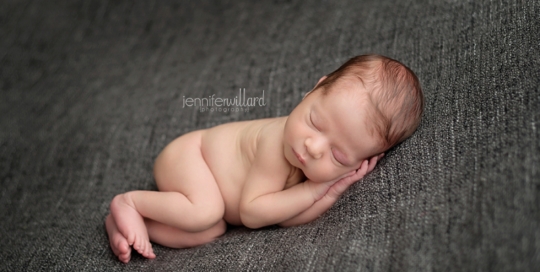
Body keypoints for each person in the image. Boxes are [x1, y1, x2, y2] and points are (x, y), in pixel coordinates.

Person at [105, 54, 424, 263]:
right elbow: (254, 213)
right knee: (206, 211)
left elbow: (284, 217)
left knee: (210, 228)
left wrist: (332, 191)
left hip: (206, 192)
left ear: (360, 162)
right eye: (314, 121)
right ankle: (130, 203)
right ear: (315, 88)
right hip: (190, 156)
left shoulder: (311, 164)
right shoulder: (277, 142)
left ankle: (136, 225)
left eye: (338, 155)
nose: (313, 146)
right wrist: (314, 190)